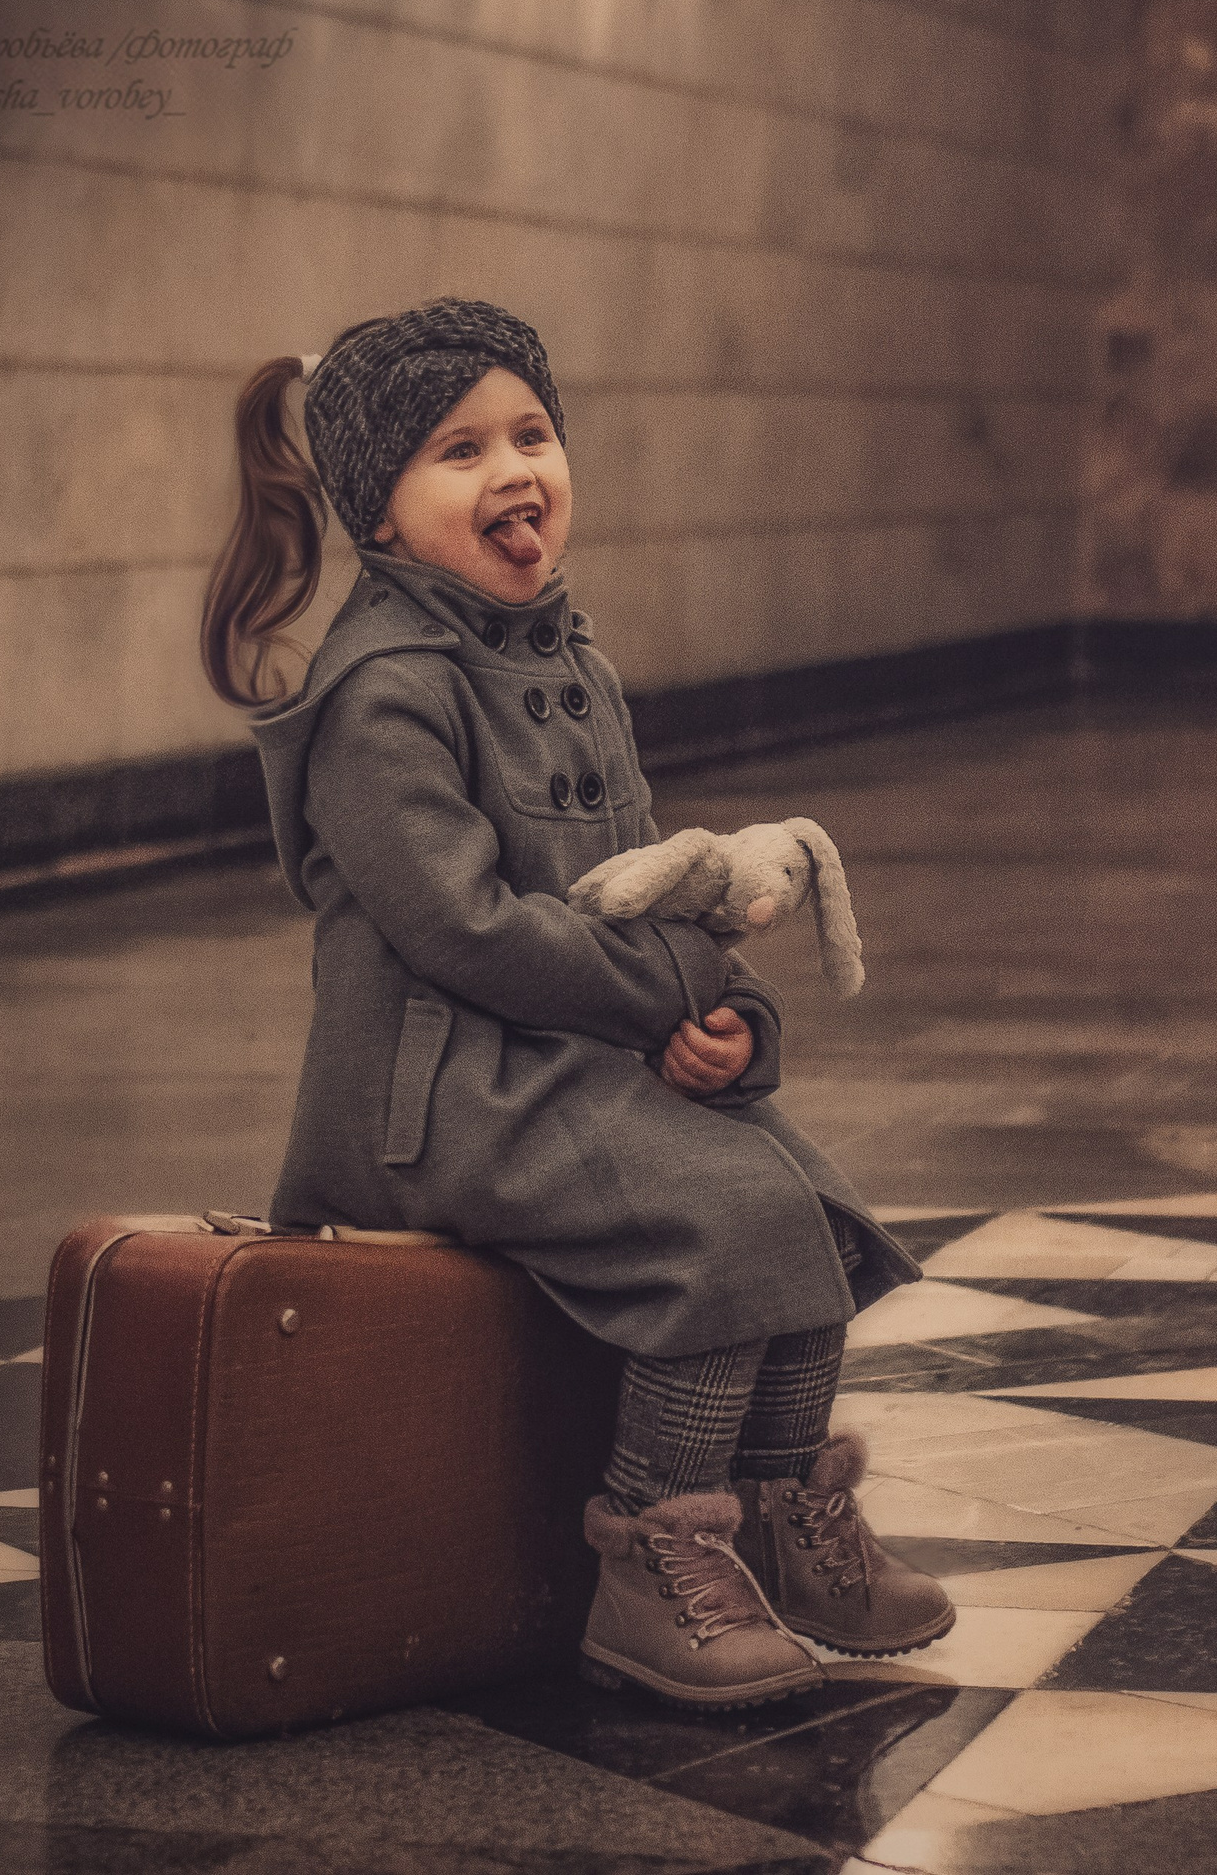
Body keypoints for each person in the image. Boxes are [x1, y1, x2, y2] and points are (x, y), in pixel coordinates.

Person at [200, 297, 953, 1706]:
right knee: (720, 1223)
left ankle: (782, 1519)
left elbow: (650, 888)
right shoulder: (386, 689)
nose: (513, 470)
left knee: (809, 1205)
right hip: (433, 1096)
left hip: (558, 1058)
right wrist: (660, 987)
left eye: (533, 432)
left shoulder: (567, 662)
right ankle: (651, 1557)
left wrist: (726, 1026)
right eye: (458, 448)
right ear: (377, 507)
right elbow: (464, 928)